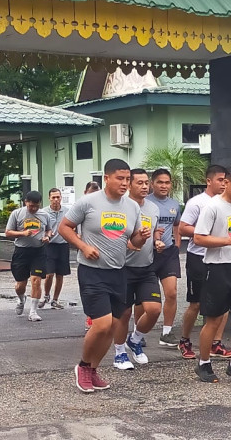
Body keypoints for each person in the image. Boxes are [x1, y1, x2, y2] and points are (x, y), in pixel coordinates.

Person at [58, 159, 150, 394]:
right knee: (101, 324)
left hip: (119, 271)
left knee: (113, 326)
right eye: (120, 178)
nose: (125, 183)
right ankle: (83, 366)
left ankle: (93, 369)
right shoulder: (88, 202)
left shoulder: (132, 207)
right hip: (92, 272)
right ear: (106, 178)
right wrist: (83, 246)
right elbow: (64, 227)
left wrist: (143, 236)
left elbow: (133, 243)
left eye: (127, 179)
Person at [193, 166, 231, 384]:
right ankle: (203, 363)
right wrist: (230, 240)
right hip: (216, 268)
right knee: (213, 320)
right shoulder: (212, 207)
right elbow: (199, 238)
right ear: (226, 183)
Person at [111, 169, 165, 370]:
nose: (144, 187)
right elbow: (113, 236)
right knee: (124, 314)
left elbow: (154, 232)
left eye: (146, 183)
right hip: (123, 268)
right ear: (130, 185)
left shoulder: (153, 208)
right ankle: (119, 354)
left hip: (146, 267)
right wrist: (131, 243)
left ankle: (135, 340)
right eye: (139, 183)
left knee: (154, 309)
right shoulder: (122, 207)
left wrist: (157, 241)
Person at [177, 165, 231, 360]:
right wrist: (203, 232)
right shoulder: (197, 203)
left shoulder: (229, 203)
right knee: (196, 304)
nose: (223, 184)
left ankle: (215, 344)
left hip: (221, 258)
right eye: (220, 180)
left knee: (223, 303)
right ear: (209, 181)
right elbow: (183, 228)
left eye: (226, 180)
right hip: (198, 257)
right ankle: (184, 340)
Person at [145, 168, 182, 347]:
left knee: (172, 293)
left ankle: (167, 333)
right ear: (153, 184)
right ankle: (139, 332)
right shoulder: (145, 203)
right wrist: (154, 239)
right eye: (160, 182)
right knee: (145, 299)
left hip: (168, 253)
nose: (164, 185)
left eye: (167, 182)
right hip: (149, 253)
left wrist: (177, 243)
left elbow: (177, 225)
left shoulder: (174, 204)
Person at [5, 190, 52, 322]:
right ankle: (21, 299)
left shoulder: (44, 215)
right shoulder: (17, 214)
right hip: (21, 252)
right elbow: (8, 233)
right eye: (31, 206)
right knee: (20, 284)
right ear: (26, 202)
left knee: (36, 280)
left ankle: (33, 312)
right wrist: (22, 233)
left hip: (38, 251)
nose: (34, 208)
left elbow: (49, 229)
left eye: (36, 206)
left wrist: (47, 236)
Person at [39, 187, 70, 310]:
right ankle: (46, 295)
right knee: (49, 273)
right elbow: (40, 228)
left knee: (60, 274)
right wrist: (45, 236)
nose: (56, 200)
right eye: (53, 197)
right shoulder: (44, 212)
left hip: (63, 245)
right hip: (49, 246)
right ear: (49, 198)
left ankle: (55, 300)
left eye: (58, 197)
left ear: (61, 197)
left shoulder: (67, 211)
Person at [81, 181, 101, 332]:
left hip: (107, 258)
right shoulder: (81, 206)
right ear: (85, 193)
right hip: (87, 258)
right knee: (89, 291)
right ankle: (90, 317)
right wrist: (83, 246)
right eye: (91, 193)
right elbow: (68, 229)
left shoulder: (104, 207)